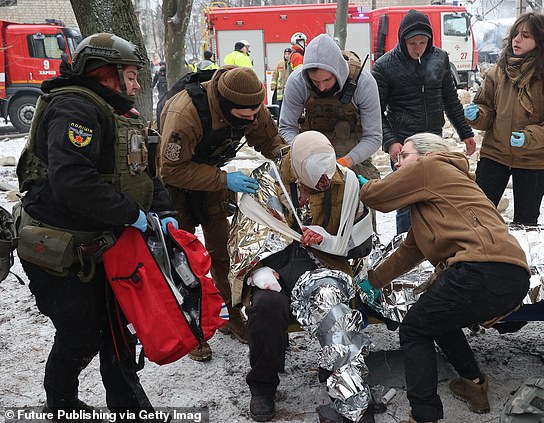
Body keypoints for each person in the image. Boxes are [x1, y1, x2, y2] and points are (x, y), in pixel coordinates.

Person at [15, 33, 175, 419]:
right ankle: (62, 402)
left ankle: (131, 409)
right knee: (81, 334)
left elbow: (142, 171)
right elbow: (74, 183)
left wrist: (165, 211)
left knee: (118, 333)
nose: (137, 85)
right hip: (59, 252)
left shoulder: (116, 112)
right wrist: (132, 215)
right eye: (132, 76)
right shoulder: (75, 109)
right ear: (106, 73)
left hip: (106, 244)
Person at [358, 133, 530, 423]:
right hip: (510, 275)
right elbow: (409, 251)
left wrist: (359, 185)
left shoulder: (431, 167)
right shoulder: (439, 192)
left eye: (403, 156)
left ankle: (424, 415)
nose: (397, 164)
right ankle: (473, 385)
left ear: (424, 155)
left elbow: (377, 197)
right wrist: (373, 281)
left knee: (413, 330)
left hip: (478, 268)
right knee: (438, 320)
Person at [158, 66, 285, 361]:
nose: (253, 119)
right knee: (183, 259)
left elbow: (270, 141)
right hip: (175, 186)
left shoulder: (250, 105)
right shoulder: (184, 113)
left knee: (223, 253)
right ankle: (190, 329)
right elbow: (171, 169)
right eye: (245, 116)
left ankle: (230, 315)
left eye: (257, 112)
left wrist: (294, 159)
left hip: (211, 178)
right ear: (227, 107)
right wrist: (224, 180)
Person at [238, 131, 364, 422]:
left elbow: (361, 240)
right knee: (267, 306)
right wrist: (258, 269)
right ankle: (263, 385)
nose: (324, 183)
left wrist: (330, 239)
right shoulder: (266, 182)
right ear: (297, 169)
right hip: (275, 268)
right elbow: (246, 234)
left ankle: (343, 382)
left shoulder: (344, 183)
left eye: (327, 176)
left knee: (332, 304)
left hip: (324, 265)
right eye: (316, 177)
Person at [465, 12, 544, 226]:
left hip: (533, 161)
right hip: (494, 156)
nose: (517, 40)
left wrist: (530, 137)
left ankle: (519, 259)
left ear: (540, 39)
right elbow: (486, 109)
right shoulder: (499, 71)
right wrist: (478, 115)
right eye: (515, 34)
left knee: (526, 224)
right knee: (477, 219)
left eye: (525, 35)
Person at [371, 9, 476, 234]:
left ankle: (433, 244)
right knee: (408, 202)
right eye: (412, 43)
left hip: (433, 143)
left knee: (434, 198)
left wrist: (465, 132)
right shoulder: (384, 66)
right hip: (404, 143)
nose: (418, 48)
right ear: (402, 40)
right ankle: (404, 247)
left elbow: (450, 99)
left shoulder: (440, 58)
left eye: (422, 42)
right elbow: (375, 113)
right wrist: (390, 143)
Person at [279, 33, 382, 182]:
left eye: (327, 80)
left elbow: (373, 137)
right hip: (309, 157)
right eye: (315, 81)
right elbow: (287, 127)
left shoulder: (363, 83)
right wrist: (303, 155)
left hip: (353, 157)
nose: (321, 88)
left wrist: (347, 161)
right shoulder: (297, 82)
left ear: (338, 71)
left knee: (368, 196)